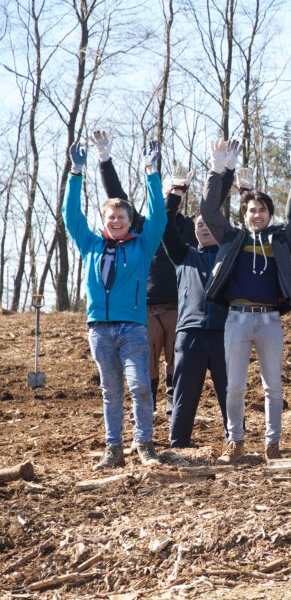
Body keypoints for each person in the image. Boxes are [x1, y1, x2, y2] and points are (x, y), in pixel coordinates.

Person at [201, 139, 291, 464]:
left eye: (263, 209)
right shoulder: (231, 236)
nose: (257, 214)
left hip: (269, 321)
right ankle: (234, 441)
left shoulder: (280, 239)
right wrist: (217, 170)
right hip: (236, 319)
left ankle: (272, 443)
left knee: (272, 386)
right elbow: (208, 211)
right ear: (244, 213)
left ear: (269, 213)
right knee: (234, 386)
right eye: (252, 210)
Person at [63, 139, 166, 469]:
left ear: (129, 220)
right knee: (111, 390)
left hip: (133, 328)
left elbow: (159, 216)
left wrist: (152, 173)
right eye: (111, 217)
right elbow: (70, 216)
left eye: (122, 216)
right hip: (99, 330)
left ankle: (145, 444)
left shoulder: (142, 245)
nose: (117, 221)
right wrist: (76, 173)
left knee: (139, 386)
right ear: (104, 220)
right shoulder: (91, 244)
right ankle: (114, 449)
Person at [90, 130, 206, 414]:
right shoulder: (142, 226)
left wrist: (180, 194)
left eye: (177, 192)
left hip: (178, 306)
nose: (171, 197)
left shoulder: (190, 228)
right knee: (147, 365)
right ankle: (147, 413)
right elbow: (118, 197)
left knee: (176, 362)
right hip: (146, 308)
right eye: (168, 191)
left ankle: (173, 410)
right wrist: (105, 161)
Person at [163, 172, 229, 448]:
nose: (203, 228)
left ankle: (234, 439)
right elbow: (165, 227)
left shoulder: (231, 253)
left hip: (226, 333)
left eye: (207, 224)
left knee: (230, 390)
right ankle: (178, 441)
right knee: (184, 390)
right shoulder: (184, 255)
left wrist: (226, 174)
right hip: (190, 333)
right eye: (198, 225)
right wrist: (175, 195)